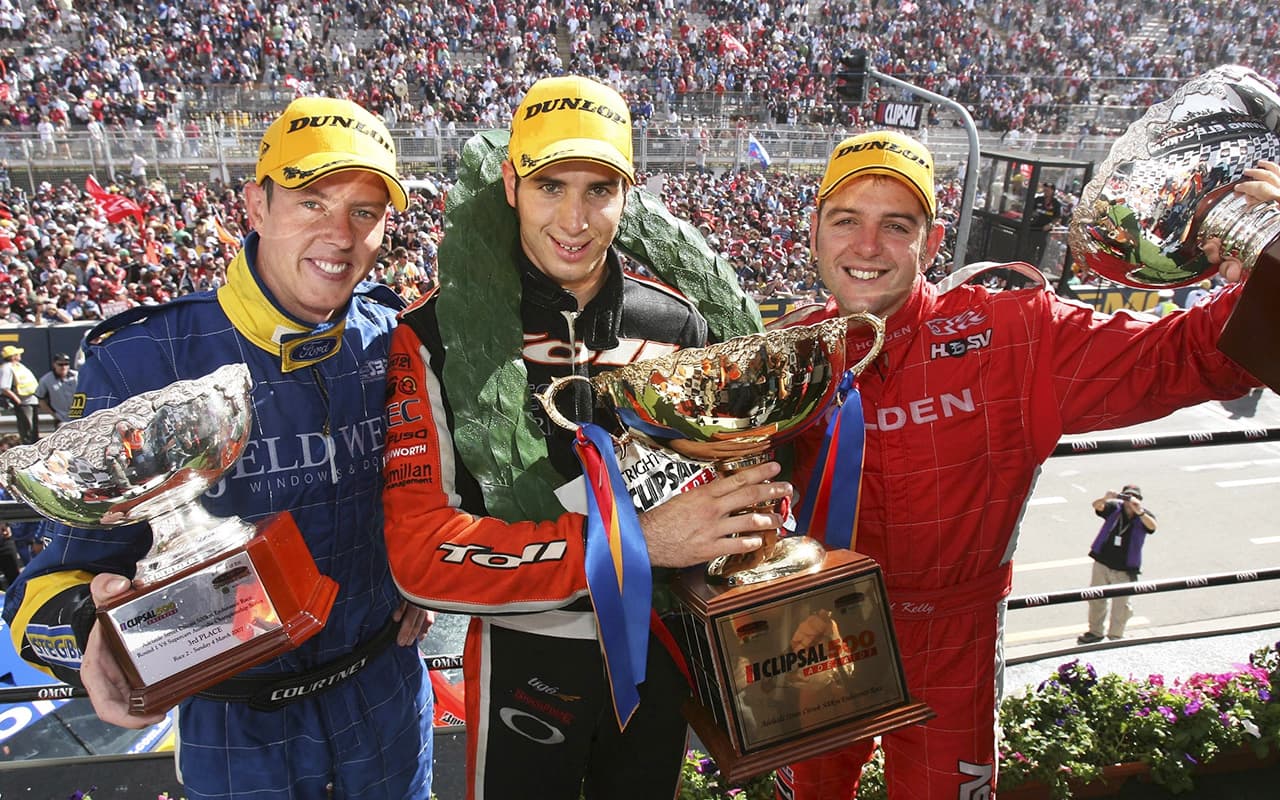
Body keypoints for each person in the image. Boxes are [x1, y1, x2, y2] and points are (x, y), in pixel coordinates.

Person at [774, 130, 1261, 799]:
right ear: (815, 233)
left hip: (954, 640)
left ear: (934, 243)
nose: (865, 247)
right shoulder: (783, 353)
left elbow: (1191, 357)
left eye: (895, 225)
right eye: (846, 221)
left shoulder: (1016, 333)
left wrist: (1269, 260)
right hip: (818, 636)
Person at [2, 96, 434, 800]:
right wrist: (89, 632)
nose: (340, 234)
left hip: (385, 697)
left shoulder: (399, 338)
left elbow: (428, 494)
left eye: (365, 211)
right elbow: (46, 583)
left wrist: (428, 575)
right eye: (312, 201)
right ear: (255, 207)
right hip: (235, 725)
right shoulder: (141, 357)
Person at [382, 75, 787, 800]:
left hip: (665, 654)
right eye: (550, 187)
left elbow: (715, 499)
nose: (574, 218)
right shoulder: (435, 335)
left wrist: (752, 516)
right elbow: (423, 559)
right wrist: (639, 544)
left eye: (599, 189)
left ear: (629, 195)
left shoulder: (679, 326)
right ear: (510, 184)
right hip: (525, 654)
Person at [1077, 484, 1156, 644]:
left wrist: (1138, 510)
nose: (1128, 501)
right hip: (1103, 562)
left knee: (1121, 605)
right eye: (1126, 497)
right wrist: (1106, 498)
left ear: (1139, 500)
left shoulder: (1143, 516)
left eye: (1132, 498)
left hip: (1125, 568)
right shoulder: (1114, 508)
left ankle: (1115, 636)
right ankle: (1095, 631)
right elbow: (1096, 506)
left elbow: (1153, 526)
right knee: (1096, 599)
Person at [0, 344, 41, 443]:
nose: (20, 355)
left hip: (31, 400)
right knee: (28, 429)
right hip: (23, 403)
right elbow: (4, 387)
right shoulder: (6, 368)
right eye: (17, 353)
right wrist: (17, 400)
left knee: (34, 429)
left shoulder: (18, 366)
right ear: (13, 356)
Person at [34, 352, 78, 428]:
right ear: (54, 364)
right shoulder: (46, 380)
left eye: (66, 364)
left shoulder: (77, 376)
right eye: (60, 364)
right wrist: (54, 415)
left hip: (80, 417)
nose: (63, 367)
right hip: (62, 419)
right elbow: (40, 400)